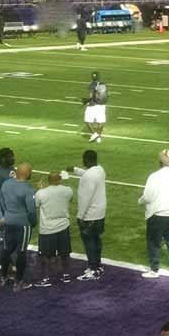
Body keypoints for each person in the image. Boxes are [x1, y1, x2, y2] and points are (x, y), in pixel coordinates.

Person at [140, 149, 169, 278]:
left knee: (153, 241)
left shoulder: (155, 176)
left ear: (160, 162)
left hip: (157, 213)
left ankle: (154, 270)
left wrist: (141, 201)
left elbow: (148, 196)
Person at [65, 149, 107, 280]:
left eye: (84, 159)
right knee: (96, 240)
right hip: (100, 212)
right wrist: (76, 170)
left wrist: (80, 216)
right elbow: (89, 174)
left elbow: (85, 198)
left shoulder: (88, 177)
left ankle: (93, 269)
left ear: (87, 160)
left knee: (89, 242)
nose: (82, 161)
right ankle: (98, 266)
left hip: (90, 215)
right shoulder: (100, 169)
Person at [0, 162, 41, 290]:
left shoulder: (6, 184)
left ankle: (4, 277)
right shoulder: (28, 189)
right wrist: (33, 223)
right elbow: (31, 211)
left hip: (8, 221)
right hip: (23, 224)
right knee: (21, 252)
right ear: (27, 173)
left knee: (7, 250)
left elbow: (2, 202)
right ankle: (19, 282)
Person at [34, 171, 75, 284]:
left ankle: (46, 278)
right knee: (65, 253)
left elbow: (36, 205)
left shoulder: (41, 193)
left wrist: (40, 189)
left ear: (49, 180)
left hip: (47, 229)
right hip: (63, 226)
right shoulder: (68, 190)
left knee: (46, 255)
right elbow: (69, 199)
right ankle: (66, 275)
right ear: (59, 179)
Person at [83, 72, 109, 143]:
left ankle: (94, 134)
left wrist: (86, 101)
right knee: (101, 121)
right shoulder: (103, 84)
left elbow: (91, 96)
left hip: (93, 105)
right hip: (102, 105)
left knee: (87, 120)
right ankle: (98, 136)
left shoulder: (92, 84)